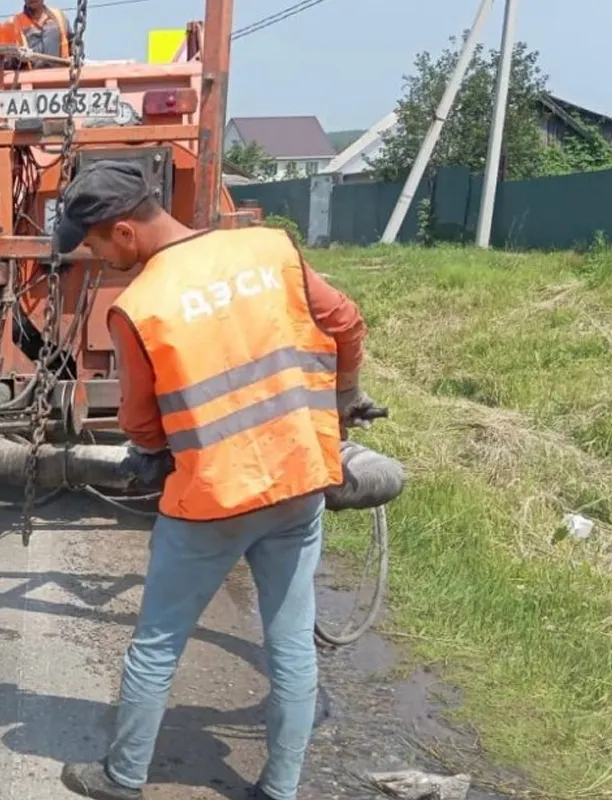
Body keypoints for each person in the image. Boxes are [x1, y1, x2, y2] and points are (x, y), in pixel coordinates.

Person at [52, 160, 372, 800]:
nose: (93, 258)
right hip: (298, 481)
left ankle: (123, 779)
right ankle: (280, 790)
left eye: (91, 245)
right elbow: (346, 323)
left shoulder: (140, 305)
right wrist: (344, 399)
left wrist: (150, 452)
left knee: (157, 643)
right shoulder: (270, 248)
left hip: (211, 500)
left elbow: (140, 421)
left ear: (123, 233)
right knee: (289, 645)